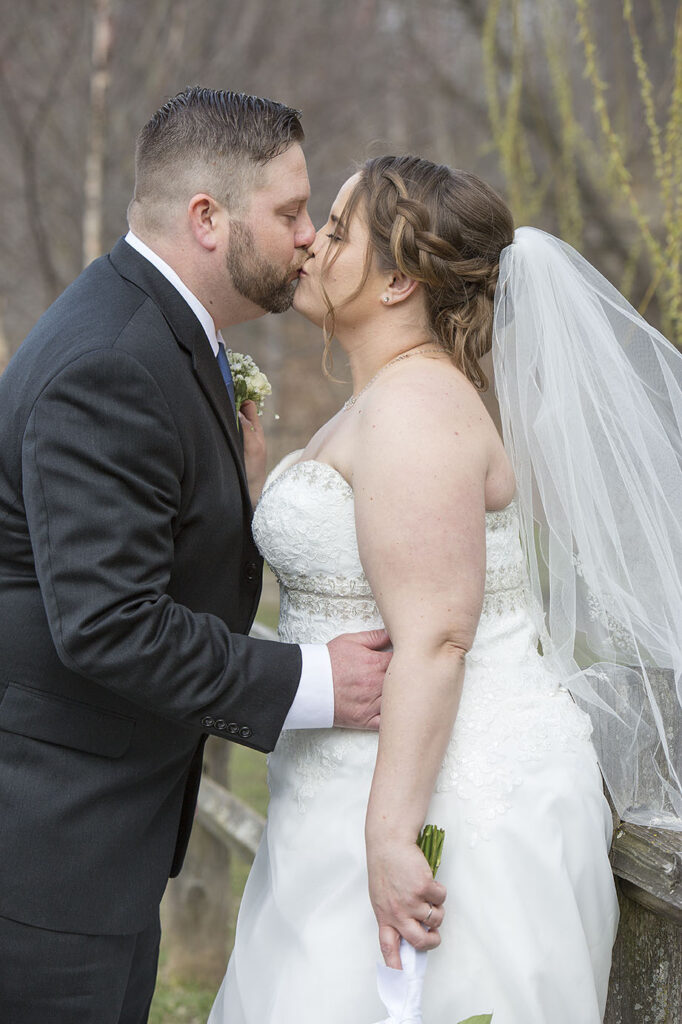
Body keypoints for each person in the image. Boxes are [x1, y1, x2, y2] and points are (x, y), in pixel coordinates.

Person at [211, 153, 682, 1023]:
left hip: (450, 805)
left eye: (341, 230)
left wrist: (392, 839)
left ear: (397, 284)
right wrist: (253, 489)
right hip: (344, 786)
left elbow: (435, 637)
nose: (312, 243)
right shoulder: (380, 401)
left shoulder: (416, 409)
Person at [0, 88, 395, 1024]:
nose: (309, 237)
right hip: (47, 861)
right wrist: (316, 683)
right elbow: (110, 623)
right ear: (207, 219)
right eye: (291, 212)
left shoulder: (166, 334)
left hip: (99, 841)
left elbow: (147, 539)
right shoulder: (113, 362)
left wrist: (240, 496)